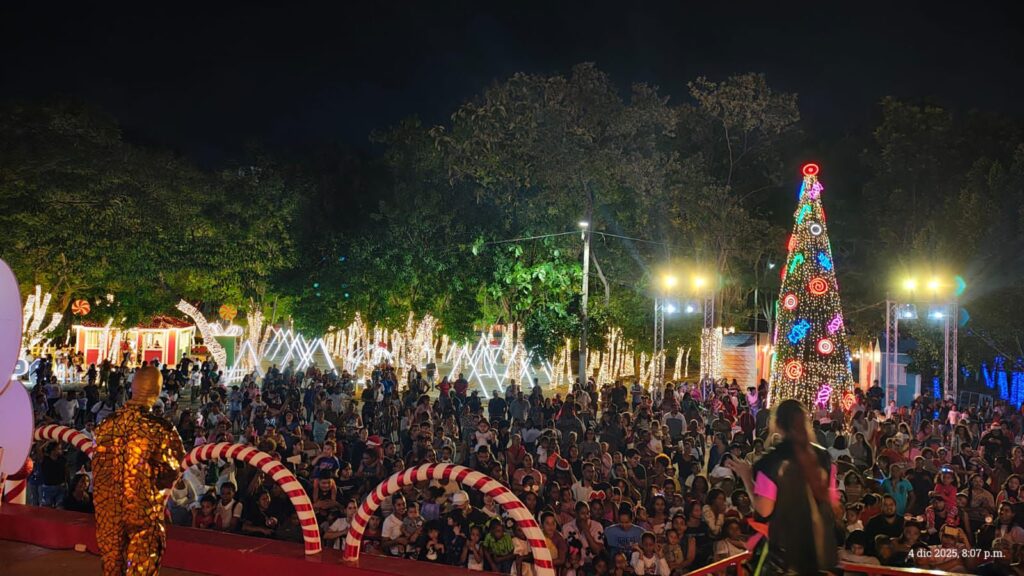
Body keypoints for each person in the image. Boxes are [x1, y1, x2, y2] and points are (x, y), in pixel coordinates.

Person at [728, 399, 839, 574]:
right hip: (819, 554)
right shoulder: (824, 457)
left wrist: (746, 477)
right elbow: (832, 501)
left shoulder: (770, 461)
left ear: (777, 424)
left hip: (785, 557)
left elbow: (764, 509)